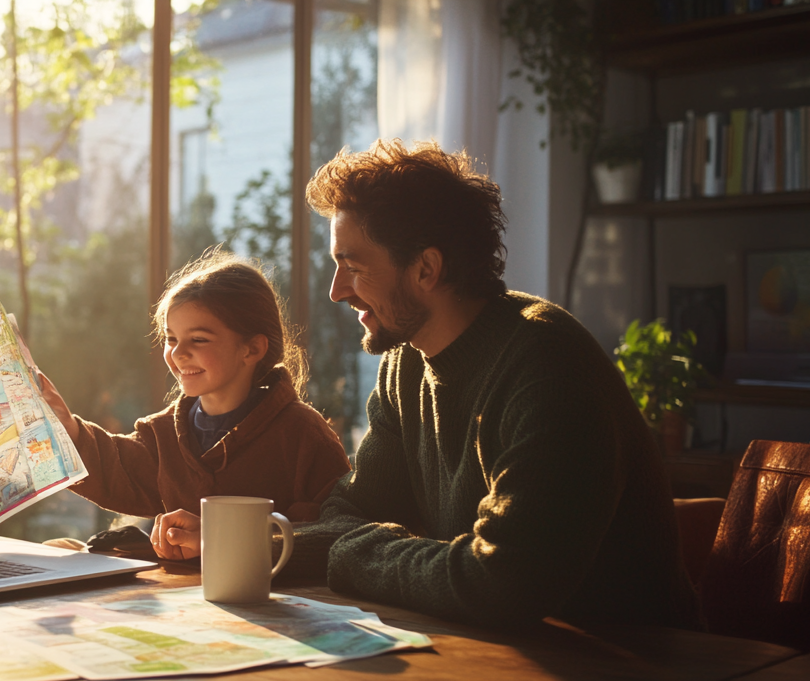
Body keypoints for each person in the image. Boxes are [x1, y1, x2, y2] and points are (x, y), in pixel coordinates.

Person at [229, 138, 696, 628]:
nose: (336, 290)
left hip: (634, 674)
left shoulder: (547, 365)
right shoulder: (405, 365)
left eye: (353, 266)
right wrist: (268, 545)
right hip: (500, 661)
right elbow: (349, 509)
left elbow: (503, 581)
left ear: (426, 268)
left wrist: (352, 553)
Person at [39, 248, 351, 560]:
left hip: (272, 602)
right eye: (171, 339)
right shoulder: (163, 434)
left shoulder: (303, 434)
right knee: (59, 548)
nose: (177, 353)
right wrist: (69, 431)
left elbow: (334, 535)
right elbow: (115, 469)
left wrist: (220, 540)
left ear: (252, 348)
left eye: (198, 339)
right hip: (180, 599)